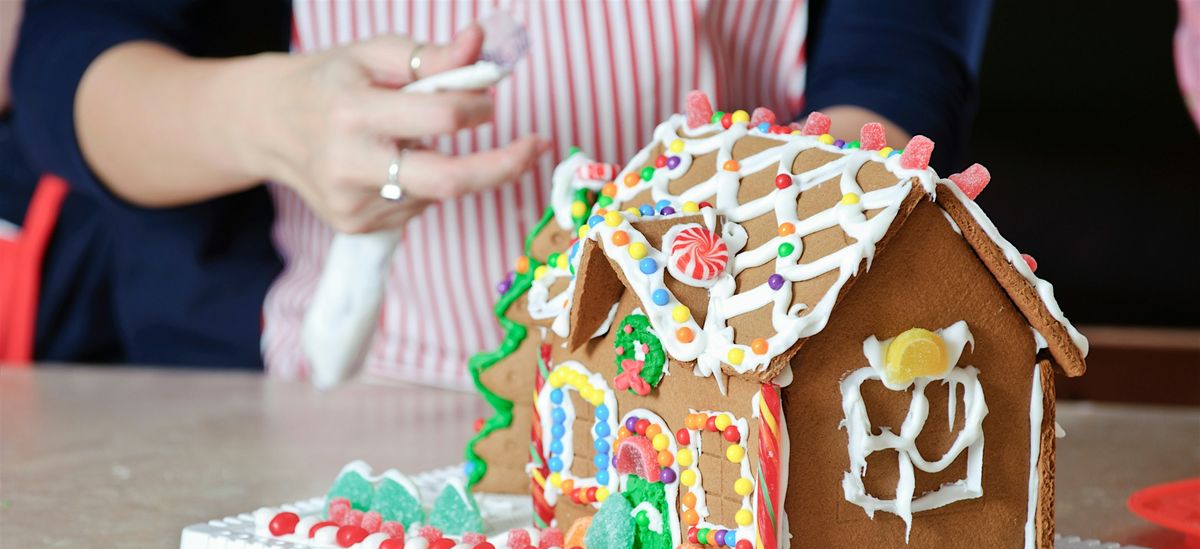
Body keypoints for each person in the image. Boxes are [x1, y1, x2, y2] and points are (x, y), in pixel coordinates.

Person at [2, 0, 990, 387]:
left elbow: (895, 61)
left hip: (706, 393)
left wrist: (830, 203)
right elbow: (64, 70)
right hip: (302, 384)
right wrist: (271, 117)